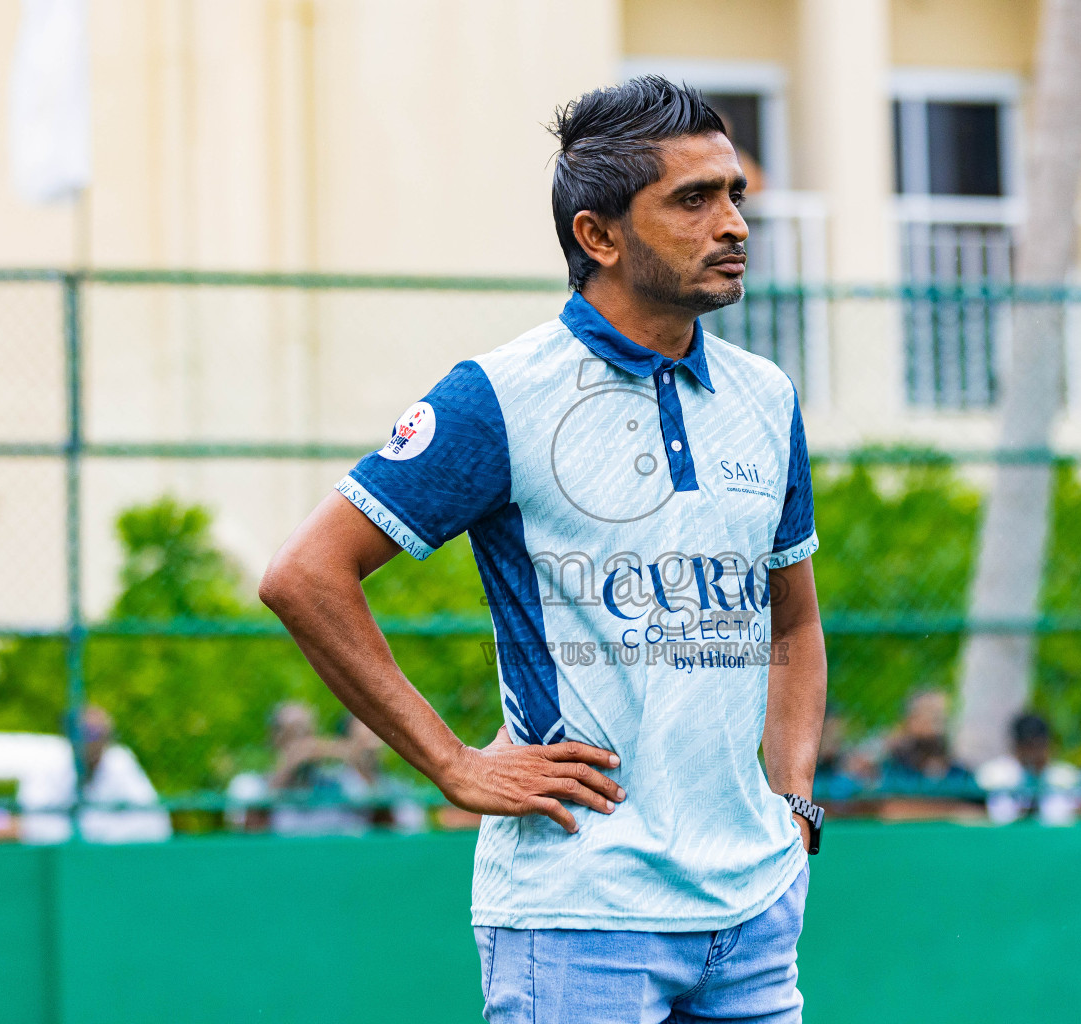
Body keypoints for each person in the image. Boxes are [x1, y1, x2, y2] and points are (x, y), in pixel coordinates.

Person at [260, 76, 827, 1023]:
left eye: (733, 194)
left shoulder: (766, 397)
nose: (731, 223)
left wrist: (793, 800)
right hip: (580, 914)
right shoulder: (499, 395)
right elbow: (304, 575)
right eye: (694, 200)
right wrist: (453, 765)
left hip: (756, 915)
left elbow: (795, 621)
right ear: (598, 237)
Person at [20, 706, 172, 844]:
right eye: (91, 734)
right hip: (59, 864)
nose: (98, 741)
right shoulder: (49, 762)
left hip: (110, 861)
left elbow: (156, 823)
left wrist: (94, 836)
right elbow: (33, 825)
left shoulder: (119, 760)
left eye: (104, 734)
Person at [226, 701, 374, 836]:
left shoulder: (338, 784)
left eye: (309, 733)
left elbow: (379, 820)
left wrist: (352, 758)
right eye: (295, 733)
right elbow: (249, 835)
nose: (304, 742)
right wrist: (287, 769)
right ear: (275, 738)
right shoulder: (248, 786)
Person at [875, 689, 981, 821]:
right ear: (910, 721)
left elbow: (979, 812)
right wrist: (954, 810)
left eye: (941, 717)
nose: (937, 725)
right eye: (929, 714)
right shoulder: (893, 768)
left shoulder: (960, 771)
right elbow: (892, 810)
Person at [977, 712, 1081, 826]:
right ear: (1017, 746)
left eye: (1039, 745)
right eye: (1028, 745)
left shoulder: (1065, 776)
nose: (1034, 753)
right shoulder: (993, 774)